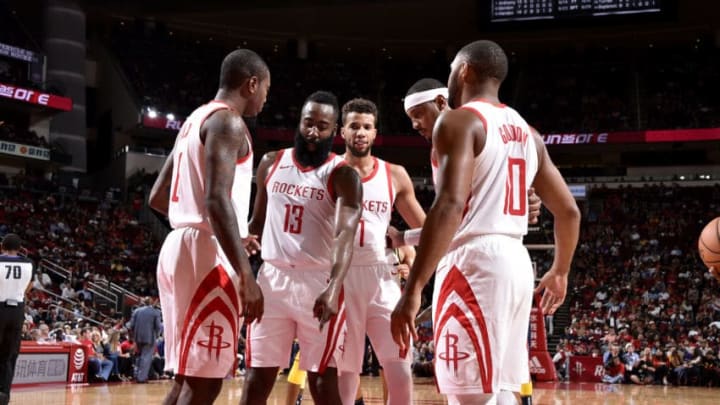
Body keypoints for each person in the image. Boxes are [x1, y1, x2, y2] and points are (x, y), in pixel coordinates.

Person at [390, 40, 581, 405]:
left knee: (468, 394)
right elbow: (569, 211)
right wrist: (560, 270)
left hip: (474, 264)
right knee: (500, 390)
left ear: (464, 70)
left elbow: (449, 206)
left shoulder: (459, 120)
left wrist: (414, 289)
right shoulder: (529, 133)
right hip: (516, 261)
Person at [148, 48, 269, 405]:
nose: (265, 98)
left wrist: (229, 233)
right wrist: (245, 275)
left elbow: (157, 197)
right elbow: (217, 200)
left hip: (177, 245)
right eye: (266, 89)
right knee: (206, 381)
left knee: (187, 376)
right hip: (206, 254)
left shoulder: (193, 121)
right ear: (251, 83)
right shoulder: (229, 122)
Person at [240, 91, 363, 405]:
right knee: (255, 381)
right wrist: (243, 243)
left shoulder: (343, 174)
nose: (313, 132)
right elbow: (256, 222)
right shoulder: (271, 162)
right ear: (299, 122)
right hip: (272, 280)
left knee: (323, 383)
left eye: (322, 126)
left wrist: (334, 287)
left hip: (318, 282)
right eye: (308, 123)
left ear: (334, 131)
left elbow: (345, 236)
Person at [335, 98, 426, 405]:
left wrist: (402, 240)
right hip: (339, 279)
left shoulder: (394, 174)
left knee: (399, 368)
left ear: (375, 134)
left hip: (381, 278)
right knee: (345, 372)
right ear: (342, 132)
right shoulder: (328, 171)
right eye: (354, 126)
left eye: (367, 127)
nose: (360, 132)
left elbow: (428, 231)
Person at [0, 234, 33, 405]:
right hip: (17, 311)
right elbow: (29, 286)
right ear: (20, 248)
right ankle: (4, 394)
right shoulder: (29, 263)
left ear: (2, 246)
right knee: (10, 355)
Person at [127, 297, 162, 383]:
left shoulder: (136, 311)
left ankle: (136, 375)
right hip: (149, 338)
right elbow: (158, 326)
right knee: (146, 357)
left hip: (138, 337)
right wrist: (157, 335)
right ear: (151, 302)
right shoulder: (155, 312)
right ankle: (141, 378)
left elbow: (130, 325)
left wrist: (134, 335)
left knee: (139, 356)